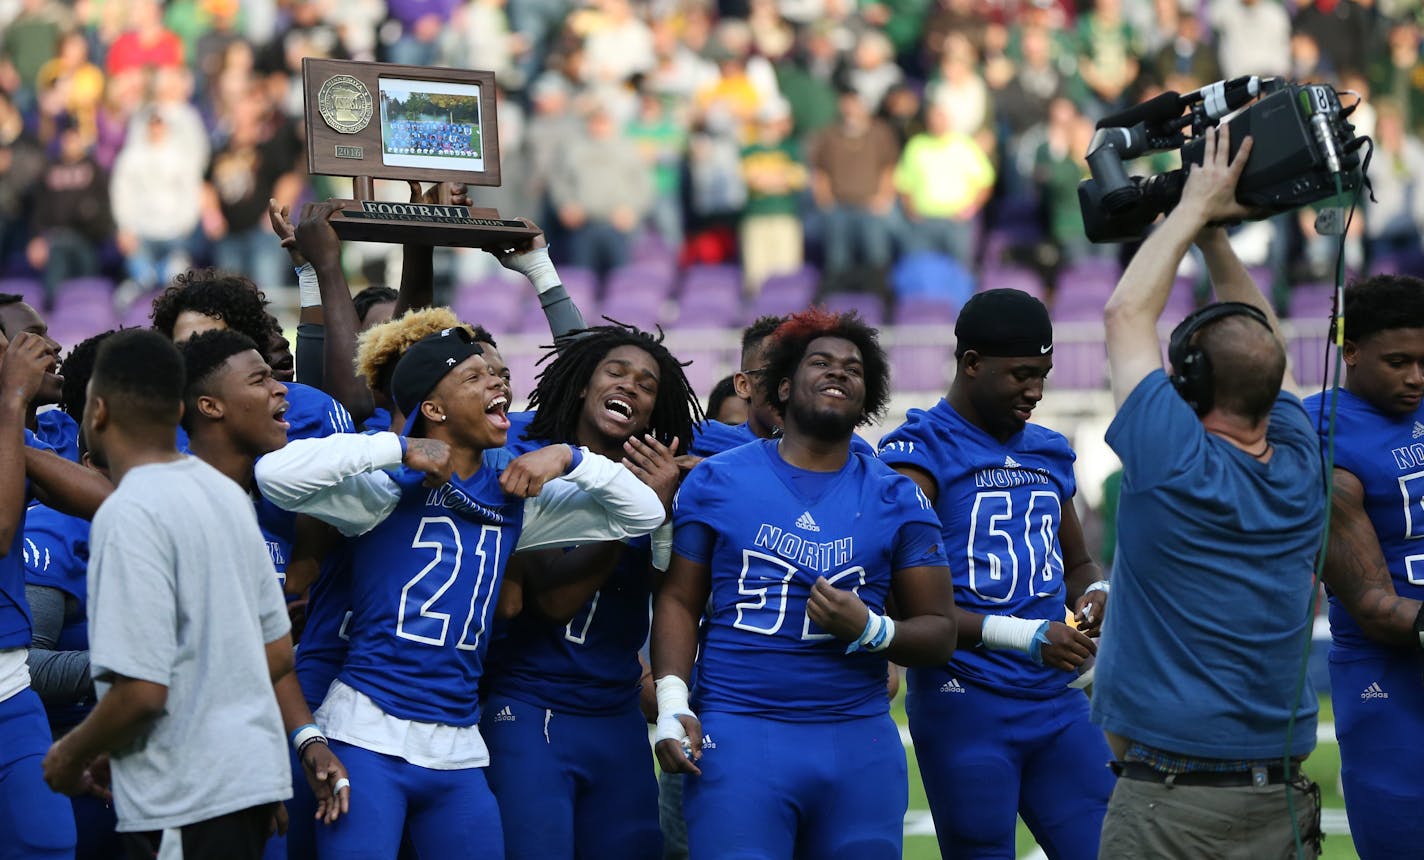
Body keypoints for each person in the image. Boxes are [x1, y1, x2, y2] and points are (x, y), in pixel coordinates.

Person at [254, 327, 665, 859]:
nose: (495, 380)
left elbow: (644, 512)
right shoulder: (385, 489)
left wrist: (571, 457)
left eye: (495, 374)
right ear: (435, 408)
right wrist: (397, 446)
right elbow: (274, 475)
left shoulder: (518, 496)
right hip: (367, 732)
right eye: (473, 376)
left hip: (458, 747)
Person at [1093, 125, 1325, 858]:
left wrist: (1192, 210)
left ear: (1188, 383)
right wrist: (1217, 239)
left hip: (1170, 802)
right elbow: (1262, 346)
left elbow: (1125, 314)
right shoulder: (1301, 465)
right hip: (1277, 800)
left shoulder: (1171, 465)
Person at [652, 309, 955, 859]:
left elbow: (939, 632)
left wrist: (872, 630)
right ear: (784, 386)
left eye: (854, 368)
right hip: (740, 729)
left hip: (856, 736)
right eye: (821, 362)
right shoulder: (718, 480)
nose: (839, 372)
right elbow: (678, 597)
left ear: (868, 396)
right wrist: (673, 700)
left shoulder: (897, 496)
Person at [877, 288, 1114, 859]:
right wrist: (1022, 634)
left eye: (1044, 375)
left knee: (1111, 847)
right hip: (966, 696)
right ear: (972, 363)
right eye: (1020, 375)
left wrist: (1098, 592)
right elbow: (907, 608)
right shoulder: (917, 454)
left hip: (1055, 698)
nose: (1035, 391)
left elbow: (1078, 562)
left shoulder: (1048, 451)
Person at [40, 329, 295, 860]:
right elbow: (274, 653)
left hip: (186, 798)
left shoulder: (126, 513)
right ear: (179, 408)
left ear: (99, 412)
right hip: (248, 781)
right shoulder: (227, 494)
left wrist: (69, 755)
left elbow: (142, 693)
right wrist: (118, 743)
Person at [482, 323, 703, 860]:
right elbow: (554, 603)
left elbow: (668, 592)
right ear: (584, 385)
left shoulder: (665, 482)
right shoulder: (528, 462)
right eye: (617, 372)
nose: (631, 386)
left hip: (616, 713)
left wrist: (668, 513)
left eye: (647, 385)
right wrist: (634, 511)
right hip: (531, 702)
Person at [1303, 273, 1424, 858]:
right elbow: (1374, 605)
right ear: (1349, 351)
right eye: (1398, 361)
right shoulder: (1329, 432)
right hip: (1389, 670)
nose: (1416, 377)